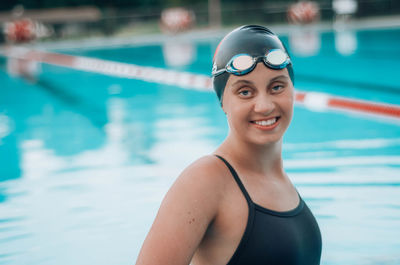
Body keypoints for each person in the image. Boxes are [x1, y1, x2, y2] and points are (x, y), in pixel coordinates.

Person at [135, 25, 322, 265]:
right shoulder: (206, 180)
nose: (264, 105)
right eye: (245, 92)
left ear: (293, 90)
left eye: (277, 87)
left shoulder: (279, 179)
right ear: (223, 101)